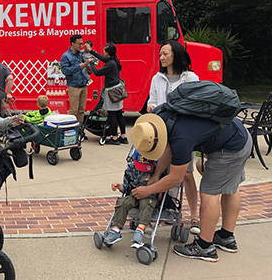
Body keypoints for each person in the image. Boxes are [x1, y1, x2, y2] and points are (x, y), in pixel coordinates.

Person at [129, 110, 252, 263]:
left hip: (230, 148)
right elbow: (168, 148)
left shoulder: (181, 138)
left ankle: (204, 247)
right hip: (240, 135)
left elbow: (176, 178)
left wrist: (147, 190)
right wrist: (156, 176)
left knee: (209, 193)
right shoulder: (161, 116)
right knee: (231, 188)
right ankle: (226, 238)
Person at [147, 40, 201, 234]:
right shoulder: (157, 78)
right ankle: (163, 211)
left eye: (165, 54)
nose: (161, 57)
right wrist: (152, 107)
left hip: (183, 133)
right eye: (160, 54)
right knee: (160, 172)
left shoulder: (190, 78)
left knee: (186, 174)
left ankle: (194, 216)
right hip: (162, 133)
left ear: (176, 55)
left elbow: (196, 104)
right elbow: (151, 101)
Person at [103, 150, 160, 248]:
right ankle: (116, 230)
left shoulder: (157, 170)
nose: (142, 171)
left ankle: (140, 230)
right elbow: (127, 187)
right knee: (123, 202)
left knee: (147, 204)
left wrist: (159, 194)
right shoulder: (131, 169)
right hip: (134, 193)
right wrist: (119, 186)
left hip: (149, 195)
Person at [85, 42, 128, 145]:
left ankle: (114, 138)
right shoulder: (113, 60)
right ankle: (123, 136)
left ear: (108, 53)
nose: (103, 51)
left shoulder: (110, 64)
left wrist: (91, 63)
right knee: (119, 113)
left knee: (112, 114)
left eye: (104, 50)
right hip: (118, 88)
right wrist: (91, 51)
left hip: (112, 90)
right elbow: (101, 58)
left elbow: (97, 73)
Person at [60, 35, 91, 127]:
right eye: (79, 44)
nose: (81, 46)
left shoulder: (81, 54)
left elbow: (86, 68)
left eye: (82, 43)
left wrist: (88, 67)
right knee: (74, 110)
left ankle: (80, 130)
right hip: (74, 86)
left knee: (82, 110)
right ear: (72, 43)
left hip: (83, 85)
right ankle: (72, 130)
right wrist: (79, 66)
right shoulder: (66, 56)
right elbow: (65, 71)